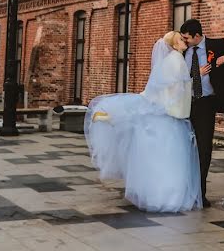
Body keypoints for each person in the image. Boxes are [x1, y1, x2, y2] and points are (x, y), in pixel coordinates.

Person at [84, 31, 202, 213]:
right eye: (180, 39)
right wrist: (194, 77)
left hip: (164, 116)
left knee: (160, 160)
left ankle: (156, 195)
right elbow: (178, 87)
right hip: (171, 118)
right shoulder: (177, 59)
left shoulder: (166, 61)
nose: (184, 41)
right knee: (172, 160)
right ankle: (170, 197)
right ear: (173, 44)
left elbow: (160, 88)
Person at [178, 18, 224, 207]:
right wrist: (196, 74)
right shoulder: (181, 51)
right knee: (184, 149)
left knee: (204, 150)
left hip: (206, 105)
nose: (185, 41)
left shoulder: (217, 45)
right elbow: (175, 77)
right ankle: (184, 190)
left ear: (197, 36)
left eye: (187, 38)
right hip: (185, 105)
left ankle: (200, 194)